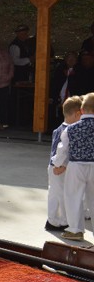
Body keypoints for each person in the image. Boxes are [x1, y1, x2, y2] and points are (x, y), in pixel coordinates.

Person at [52, 92, 94, 241]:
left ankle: (75, 230)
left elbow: (62, 149)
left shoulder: (70, 129)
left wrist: (57, 163)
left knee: (73, 196)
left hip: (76, 165)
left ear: (81, 110)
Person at [47, 95, 83, 233]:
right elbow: (61, 150)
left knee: (54, 193)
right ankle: (62, 221)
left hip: (54, 165)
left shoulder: (58, 129)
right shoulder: (69, 131)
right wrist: (60, 165)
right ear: (76, 114)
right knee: (63, 194)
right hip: (59, 166)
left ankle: (53, 219)